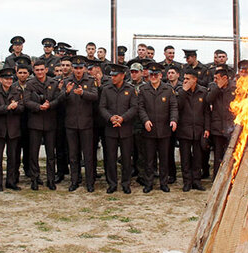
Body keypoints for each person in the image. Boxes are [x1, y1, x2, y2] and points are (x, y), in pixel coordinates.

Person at [137, 63, 178, 193]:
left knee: (164, 158)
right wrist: (145, 120)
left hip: (164, 130)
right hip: (149, 130)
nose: (153, 77)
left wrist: (173, 120)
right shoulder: (143, 89)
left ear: (160, 75)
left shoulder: (168, 89)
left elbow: (173, 107)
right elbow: (140, 107)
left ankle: (164, 183)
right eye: (151, 75)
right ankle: (148, 183)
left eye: (156, 74)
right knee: (149, 159)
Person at [24, 60, 64, 190]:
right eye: (37, 70)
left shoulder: (53, 83)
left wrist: (49, 105)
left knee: (50, 154)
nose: (40, 72)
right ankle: (35, 179)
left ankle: (51, 179)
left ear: (46, 70)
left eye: (42, 69)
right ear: (34, 71)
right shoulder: (30, 84)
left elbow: (58, 99)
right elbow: (26, 101)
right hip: (35, 122)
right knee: (33, 153)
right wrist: (38, 106)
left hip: (50, 122)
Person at [99, 63, 138, 194]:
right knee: (110, 158)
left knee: (127, 158)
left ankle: (126, 183)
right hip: (111, 129)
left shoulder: (130, 89)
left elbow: (134, 107)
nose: (113, 78)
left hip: (126, 129)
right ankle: (112, 183)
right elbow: (102, 107)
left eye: (115, 75)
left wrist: (123, 118)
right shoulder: (106, 89)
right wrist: (111, 118)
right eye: (111, 75)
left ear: (122, 76)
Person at [62, 56, 99, 192]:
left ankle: (90, 182)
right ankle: (74, 180)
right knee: (73, 155)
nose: (78, 70)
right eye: (76, 68)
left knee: (88, 155)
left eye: (80, 68)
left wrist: (83, 93)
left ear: (84, 68)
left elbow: (95, 96)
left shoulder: (90, 81)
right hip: (71, 123)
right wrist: (66, 92)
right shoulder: (66, 81)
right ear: (72, 68)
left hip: (86, 124)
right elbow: (60, 99)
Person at [0, 68, 24, 191]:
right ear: (0, 80)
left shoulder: (17, 91)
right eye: (6, 79)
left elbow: (22, 108)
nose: (9, 81)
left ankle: (11, 181)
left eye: (10, 79)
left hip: (13, 128)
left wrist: (15, 107)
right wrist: (7, 107)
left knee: (13, 158)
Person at [176, 68, 210, 192]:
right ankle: (187, 182)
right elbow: (177, 107)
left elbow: (207, 112)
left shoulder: (203, 92)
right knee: (185, 157)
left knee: (197, 157)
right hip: (184, 130)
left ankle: (196, 181)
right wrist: (184, 92)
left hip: (199, 130)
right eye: (184, 78)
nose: (185, 81)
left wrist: (207, 128)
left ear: (195, 79)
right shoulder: (180, 91)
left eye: (187, 79)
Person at [208, 64, 236, 177]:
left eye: (217, 78)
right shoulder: (213, 88)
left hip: (231, 128)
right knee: (218, 157)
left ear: (225, 78)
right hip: (217, 128)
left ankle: (230, 178)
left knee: (230, 155)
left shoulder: (235, 88)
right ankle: (216, 178)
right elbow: (208, 99)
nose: (215, 80)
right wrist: (217, 88)